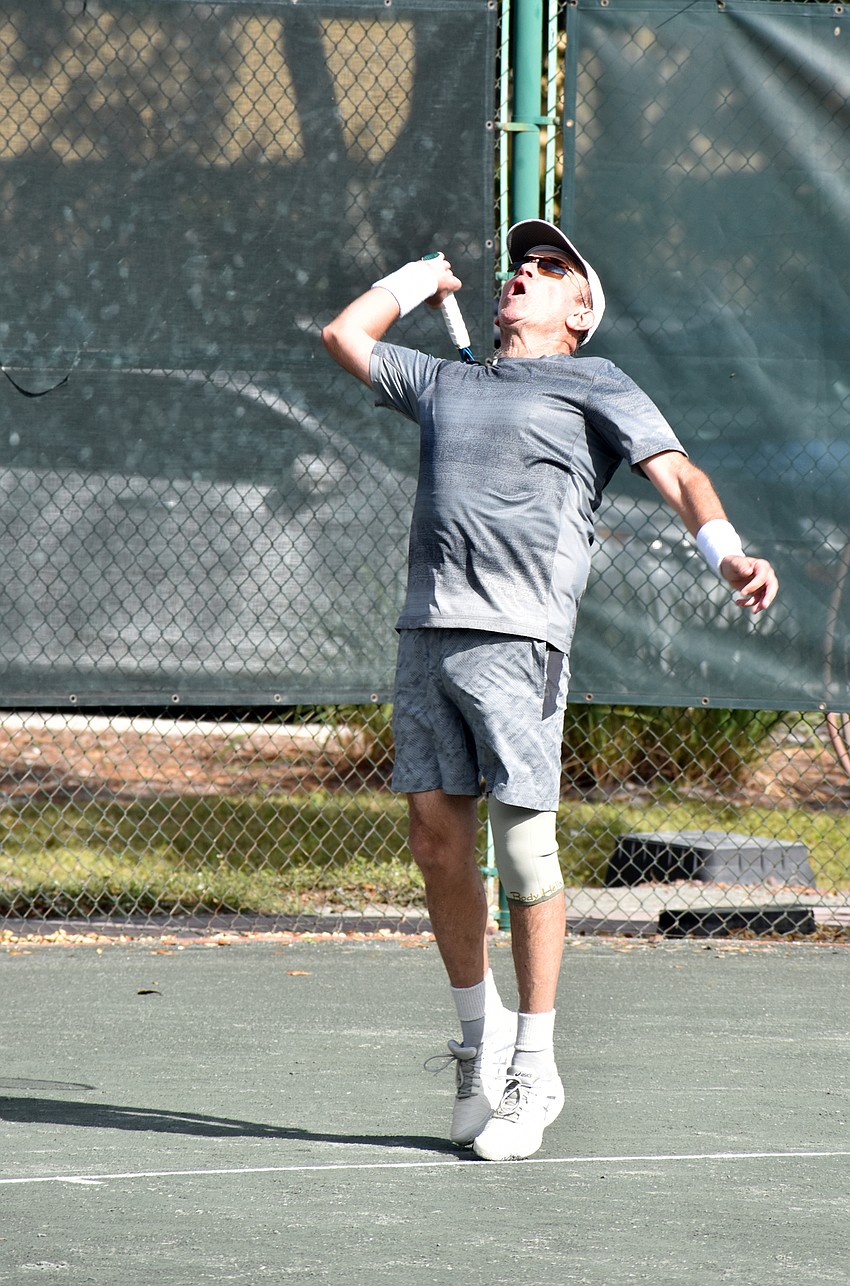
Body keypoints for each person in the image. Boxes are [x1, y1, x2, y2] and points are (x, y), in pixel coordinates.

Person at [321, 219, 778, 1162]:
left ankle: (536, 1067)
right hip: (427, 634)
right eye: (518, 268)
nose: (524, 275)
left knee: (523, 853)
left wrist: (726, 552)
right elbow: (346, 338)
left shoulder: (596, 383)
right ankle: (480, 1046)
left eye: (551, 270)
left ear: (581, 312)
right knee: (435, 842)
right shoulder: (449, 379)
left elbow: (678, 472)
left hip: (521, 640)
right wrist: (414, 278)